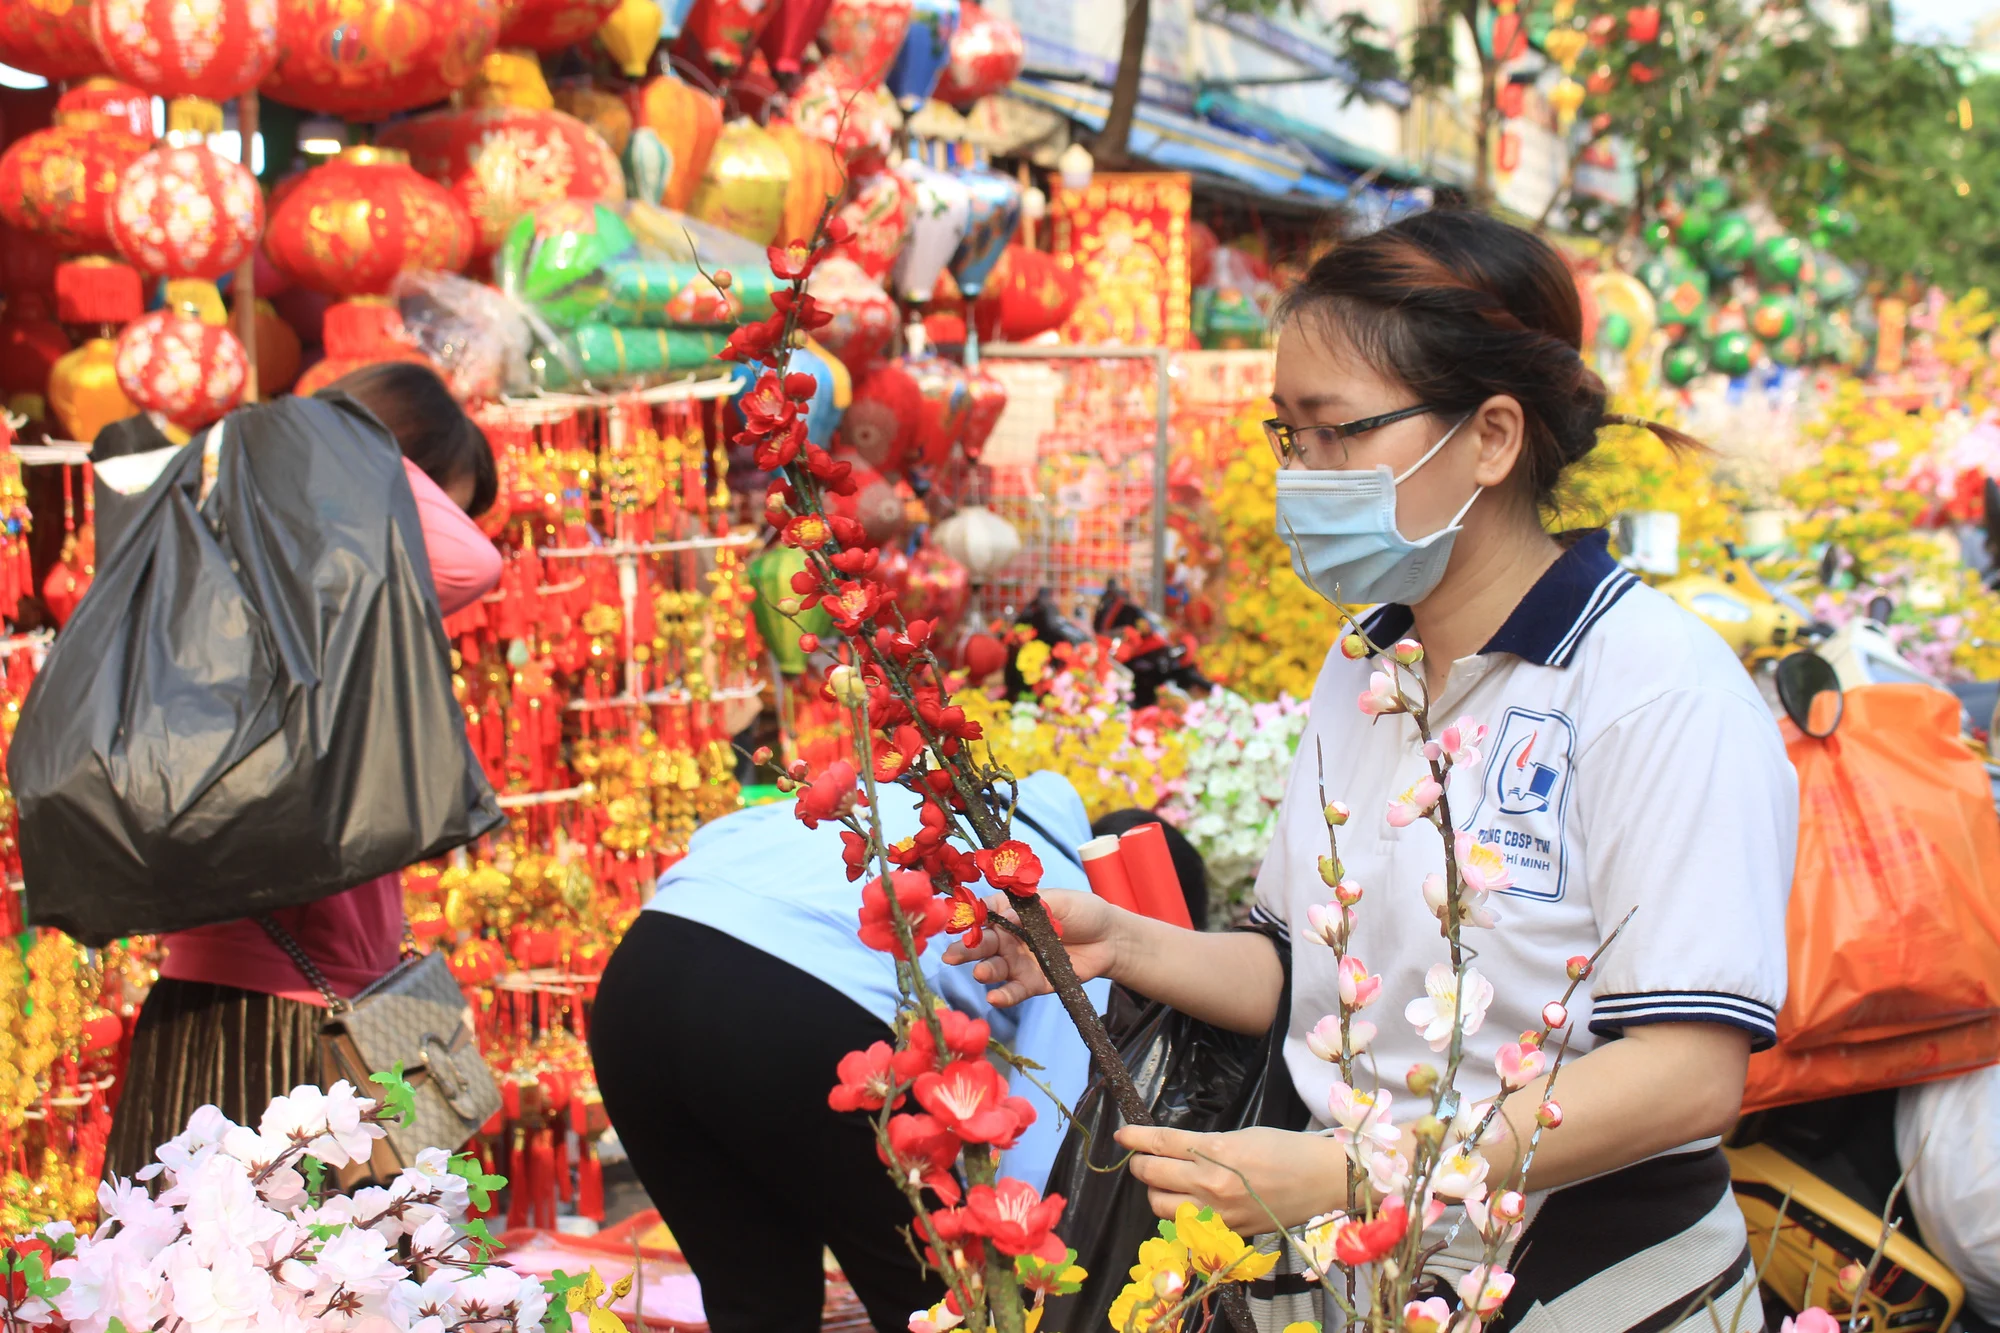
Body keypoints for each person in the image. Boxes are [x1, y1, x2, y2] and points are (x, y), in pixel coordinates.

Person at [951, 211, 1797, 1330]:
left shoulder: (1652, 690)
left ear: (1491, 437)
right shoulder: (1362, 663)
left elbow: (1686, 1073)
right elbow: (1303, 968)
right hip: (1376, 1272)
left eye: (1337, 432)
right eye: (1286, 435)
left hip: (1592, 1277)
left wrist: (1369, 1171)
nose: (1301, 476)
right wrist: (1125, 942)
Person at [104, 364, 502, 1180]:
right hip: (287, 1021)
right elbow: (471, 563)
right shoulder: (274, 618)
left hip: (241, 1002)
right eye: (435, 499)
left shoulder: (275, 619)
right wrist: (340, 441)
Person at [589, 771, 1121, 1333]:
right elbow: (1055, 1125)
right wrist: (1034, 1260)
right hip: (798, 1009)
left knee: (754, 1302)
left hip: (643, 976)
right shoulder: (1073, 899)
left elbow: (713, 840)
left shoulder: (914, 789)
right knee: (941, 1310)